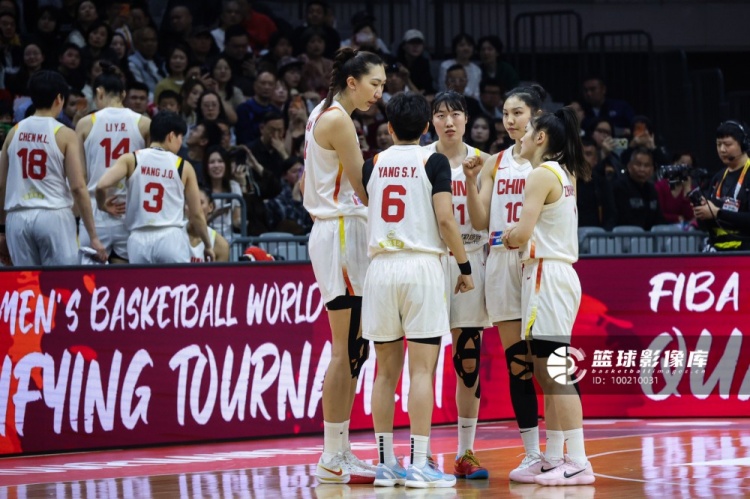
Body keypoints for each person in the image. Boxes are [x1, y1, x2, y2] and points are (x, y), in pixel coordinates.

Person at [362, 92, 473, 489]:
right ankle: (420, 464)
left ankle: (385, 464)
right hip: (421, 266)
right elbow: (445, 220)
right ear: (427, 126)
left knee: (384, 373)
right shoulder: (434, 161)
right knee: (421, 370)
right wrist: (465, 266)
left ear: (389, 127)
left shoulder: (372, 163)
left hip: (380, 269)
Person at [496, 106, 594, 486]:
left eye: (527, 131)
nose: (520, 135)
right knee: (546, 371)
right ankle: (553, 456)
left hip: (547, 275)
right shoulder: (565, 172)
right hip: (553, 274)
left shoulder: (540, 174)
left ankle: (579, 460)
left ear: (540, 138)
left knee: (556, 372)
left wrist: (507, 236)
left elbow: (522, 234)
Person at [303, 47, 385, 485]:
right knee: (346, 348)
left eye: (383, 85)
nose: (379, 93)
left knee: (354, 348)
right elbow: (364, 187)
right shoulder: (338, 120)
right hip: (340, 232)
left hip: (335, 231)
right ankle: (332, 454)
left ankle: (339, 450)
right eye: (374, 84)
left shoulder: (321, 112)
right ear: (352, 82)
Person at [463, 85, 547, 483]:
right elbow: (480, 222)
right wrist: (470, 181)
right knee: (519, 364)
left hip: (536, 262)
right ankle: (532, 453)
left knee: (550, 361)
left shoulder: (550, 164)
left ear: (536, 116)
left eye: (518, 113)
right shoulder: (494, 163)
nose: (510, 120)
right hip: (500, 262)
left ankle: (564, 450)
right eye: (505, 114)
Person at [423, 90, 490, 479]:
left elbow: (489, 219)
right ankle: (423, 451)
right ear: (431, 121)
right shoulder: (420, 160)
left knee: (468, 360)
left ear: (466, 118)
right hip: (433, 261)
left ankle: (466, 452)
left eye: (455, 114)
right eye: (441, 114)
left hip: (473, 259)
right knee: (425, 360)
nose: (448, 121)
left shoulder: (485, 161)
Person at [0, 71, 107, 266]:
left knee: (28, 282)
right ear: (59, 98)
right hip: (53, 215)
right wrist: (93, 236)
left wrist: (1, 229)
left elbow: (1, 185)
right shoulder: (65, 134)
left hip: (17, 217)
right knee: (61, 281)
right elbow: (77, 187)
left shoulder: (13, 132)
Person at [96, 111, 213, 264]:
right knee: (175, 280)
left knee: (142, 281)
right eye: (180, 138)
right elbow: (196, 214)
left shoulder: (131, 159)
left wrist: (103, 206)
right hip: (170, 237)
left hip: (138, 239)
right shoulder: (183, 166)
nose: (180, 143)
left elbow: (101, 186)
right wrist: (208, 245)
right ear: (171, 136)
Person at [75, 61, 151, 264]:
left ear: (99, 93)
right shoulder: (144, 123)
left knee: (89, 279)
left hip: (95, 211)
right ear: (123, 94)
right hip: (129, 211)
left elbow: (80, 176)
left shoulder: (84, 124)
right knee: (127, 279)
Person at [693, 120, 750, 250]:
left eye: (727, 144)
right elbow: (705, 227)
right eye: (718, 144)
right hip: (717, 251)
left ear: (743, 144)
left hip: (744, 252)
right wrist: (703, 213)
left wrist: (718, 213)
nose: (722, 150)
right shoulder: (717, 178)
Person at [612, 147, 665, 230]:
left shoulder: (652, 190)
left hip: (650, 236)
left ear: (652, 169)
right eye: (638, 164)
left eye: (646, 165)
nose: (642, 169)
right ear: (629, 167)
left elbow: (659, 220)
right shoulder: (619, 187)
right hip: (625, 234)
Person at [188, 187, 230, 262]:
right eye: (190, 202)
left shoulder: (221, 245)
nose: (194, 208)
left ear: (210, 207)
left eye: (200, 203)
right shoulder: (171, 235)